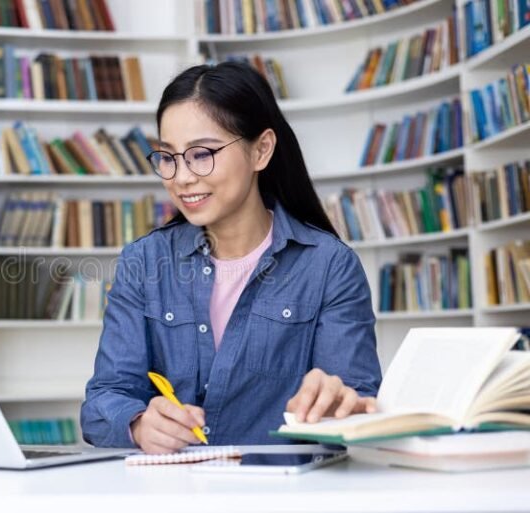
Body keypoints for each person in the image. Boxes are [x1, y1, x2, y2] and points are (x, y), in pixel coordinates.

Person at [80, 61, 382, 454]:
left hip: (283, 493)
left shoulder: (329, 266)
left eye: (201, 154)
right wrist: (138, 424)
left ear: (261, 150)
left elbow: (358, 405)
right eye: (168, 157)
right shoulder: (144, 262)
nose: (182, 177)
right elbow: (102, 401)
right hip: (175, 492)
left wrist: (339, 403)